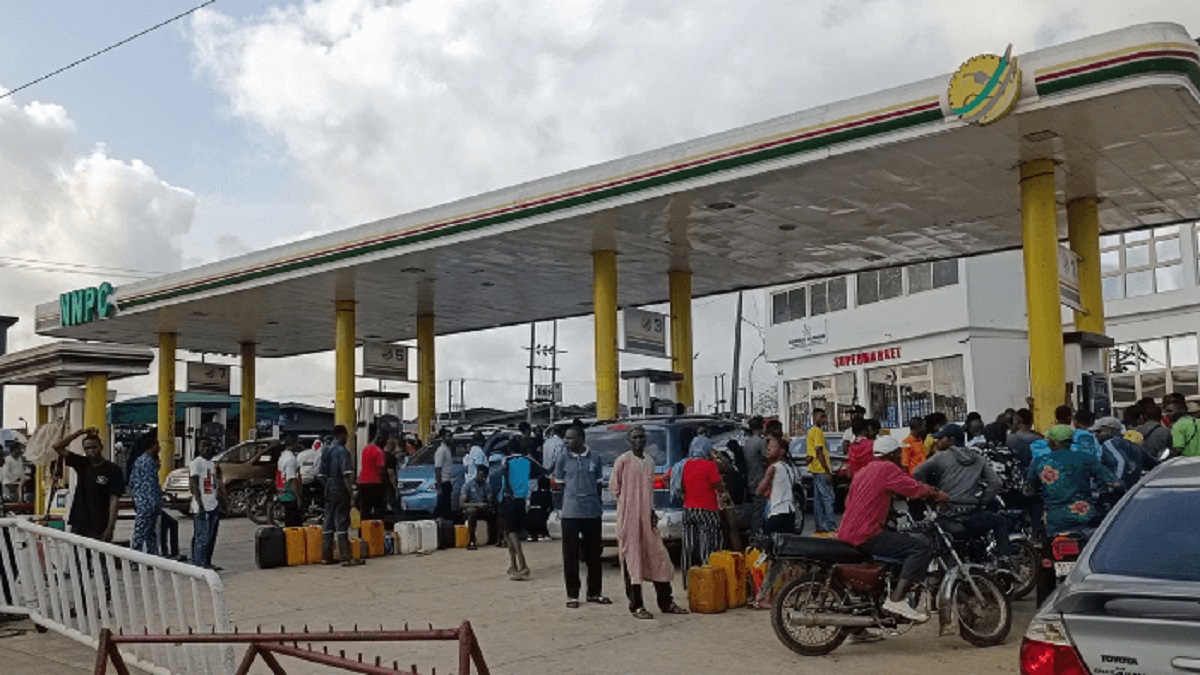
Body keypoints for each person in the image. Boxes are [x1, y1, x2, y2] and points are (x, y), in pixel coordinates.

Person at [838, 435, 948, 623]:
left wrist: (887, 512)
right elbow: (912, 488)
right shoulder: (888, 468)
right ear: (892, 454)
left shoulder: (864, 471)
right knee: (920, 548)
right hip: (866, 534)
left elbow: (851, 501)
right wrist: (935, 493)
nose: (901, 457)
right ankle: (897, 599)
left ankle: (857, 629)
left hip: (847, 532)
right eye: (899, 453)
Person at [610, 425, 688, 619]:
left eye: (642, 437)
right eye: (635, 437)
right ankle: (636, 605)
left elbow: (649, 492)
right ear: (629, 440)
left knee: (659, 557)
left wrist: (650, 510)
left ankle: (666, 601)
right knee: (632, 560)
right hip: (629, 518)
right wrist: (629, 506)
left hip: (646, 517)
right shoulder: (623, 461)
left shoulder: (650, 462)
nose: (639, 441)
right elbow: (615, 487)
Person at [912, 424, 1011, 559]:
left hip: (948, 515)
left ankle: (940, 570)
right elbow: (996, 483)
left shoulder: (941, 457)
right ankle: (1004, 559)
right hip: (972, 515)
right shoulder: (977, 458)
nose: (937, 441)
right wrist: (982, 501)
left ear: (951, 440)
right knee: (1000, 521)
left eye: (941, 438)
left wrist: (930, 491)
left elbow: (917, 473)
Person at [1025, 425, 1122, 537]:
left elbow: (1028, 491)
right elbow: (1115, 483)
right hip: (1085, 516)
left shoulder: (1039, 462)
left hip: (1055, 520)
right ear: (1071, 442)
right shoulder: (1086, 458)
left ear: (1053, 443)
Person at [554, 424, 607, 608]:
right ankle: (572, 595)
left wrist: (593, 502)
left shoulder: (595, 458)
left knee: (594, 554)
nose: (566, 441)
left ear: (581, 439)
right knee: (570, 555)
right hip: (570, 514)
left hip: (592, 513)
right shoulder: (562, 459)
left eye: (570, 438)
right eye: (566, 438)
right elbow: (559, 485)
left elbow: (599, 484)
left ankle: (594, 592)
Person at [750, 433, 801, 608]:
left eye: (771, 446)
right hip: (789, 512)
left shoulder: (773, 468)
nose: (768, 449)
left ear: (781, 450)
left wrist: (765, 490)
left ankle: (766, 598)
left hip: (777, 514)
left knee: (772, 557)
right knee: (786, 557)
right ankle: (791, 595)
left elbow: (760, 490)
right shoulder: (789, 468)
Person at [52, 427, 124, 542]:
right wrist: (80, 432)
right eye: (87, 448)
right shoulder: (82, 464)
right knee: (78, 557)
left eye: (94, 447)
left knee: (98, 558)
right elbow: (57, 446)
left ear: (101, 447)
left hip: (99, 524)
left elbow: (114, 501)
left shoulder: (113, 470)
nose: (91, 450)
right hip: (79, 522)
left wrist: (110, 528)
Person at [679, 435, 725, 584]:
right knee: (707, 547)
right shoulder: (710, 466)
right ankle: (707, 583)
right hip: (707, 510)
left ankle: (687, 581)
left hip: (688, 510)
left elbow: (681, 485)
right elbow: (719, 486)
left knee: (688, 546)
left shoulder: (685, 465)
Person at [319, 425, 362, 566]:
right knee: (342, 521)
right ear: (341, 434)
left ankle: (326, 556)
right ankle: (345, 557)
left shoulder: (325, 450)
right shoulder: (343, 451)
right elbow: (346, 476)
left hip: (328, 489)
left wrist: (328, 486)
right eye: (346, 435)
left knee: (328, 522)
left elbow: (320, 475)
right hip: (340, 488)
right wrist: (352, 493)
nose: (347, 437)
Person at [500, 438, 541, 578]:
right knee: (508, 533)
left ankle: (522, 564)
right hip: (521, 499)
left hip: (508, 499)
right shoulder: (527, 460)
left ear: (509, 449)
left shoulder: (506, 460)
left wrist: (509, 491)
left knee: (511, 533)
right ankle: (513, 565)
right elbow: (543, 470)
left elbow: (505, 475)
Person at [1091, 417, 1157, 489]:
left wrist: (1116, 483)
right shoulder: (1134, 446)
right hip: (1132, 493)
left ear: (1111, 430)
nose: (1096, 435)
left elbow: (1120, 462)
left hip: (1116, 494)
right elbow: (1156, 466)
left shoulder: (1109, 443)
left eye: (1099, 431)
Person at [188, 439, 224, 569]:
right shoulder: (196, 463)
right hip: (202, 505)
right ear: (199, 447)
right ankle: (198, 563)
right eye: (203, 445)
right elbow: (194, 486)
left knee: (211, 536)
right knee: (201, 536)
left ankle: (207, 561)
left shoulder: (212, 464)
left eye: (208, 445)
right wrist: (200, 505)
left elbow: (215, 484)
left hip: (213, 503)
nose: (206, 448)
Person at [129, 434, 165, 554]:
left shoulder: (139, 461)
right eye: (157, 444)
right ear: (152, 446)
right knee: (144, 533)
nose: (159, 447)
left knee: (146, 532)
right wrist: (156, 503)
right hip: (148, 503)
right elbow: (151, 485)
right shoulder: (148, 462)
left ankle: (149, 556)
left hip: (141, 501)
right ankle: (138, 557)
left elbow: (132, 482)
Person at [806, 408, 837, 537]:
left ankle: (820, 526)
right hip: (820, 469)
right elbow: (819, 452)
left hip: (814, 469)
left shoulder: (811, 431)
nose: (824, 420)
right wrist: (827, 471)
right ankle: (831, 527)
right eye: (821, 417)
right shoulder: (817, 432)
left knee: (818, 500)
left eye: (825, 417)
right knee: (828, 498)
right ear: (815, 417)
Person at [742, 416, 767, 533]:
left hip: (750, 478)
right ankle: (756, 533)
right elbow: (766, 458)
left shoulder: (747, 443)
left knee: (754, 507)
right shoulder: (761, 442)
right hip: (759, 479)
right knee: (759, 508)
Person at [460, 464, 493, 551]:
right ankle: (471, 540)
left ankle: (497, 538)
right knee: (472, 511)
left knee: (497, 511)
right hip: (471, 509)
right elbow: (462, 504)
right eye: (481, 476)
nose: (483, 478)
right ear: (477, 473)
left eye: (485, 477)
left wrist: (489, 503)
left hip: (483, 508)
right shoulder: (468, 485)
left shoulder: (487, 486)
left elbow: (490, 499)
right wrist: (477, 505)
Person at [358, 431, 387, 520]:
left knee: (365, 508)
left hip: (363, 482)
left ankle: (363, 530)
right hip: (376, 482)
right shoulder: (379, 451)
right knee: (378, 508)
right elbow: (380, 469)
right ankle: (376, 531)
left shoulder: (365, 449)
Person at [276, 433, 304, 527]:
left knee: (289, 524)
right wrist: (298, 498)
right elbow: (292, 480)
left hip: (283, 494)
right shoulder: (291, 459)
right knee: (294, 526)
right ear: (294, 443)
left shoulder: (283, 456)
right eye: (298, 443)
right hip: (290, 496)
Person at [433, 428, 454, 521]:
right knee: (442, 508)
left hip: (448, 481)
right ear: (443, 438)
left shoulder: (447, 450)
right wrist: (439, 486)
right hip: (443, 481)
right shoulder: (441, 451)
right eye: (448, 436)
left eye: (451, 436)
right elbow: (438, 469)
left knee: (446, 507)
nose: (450, 439)